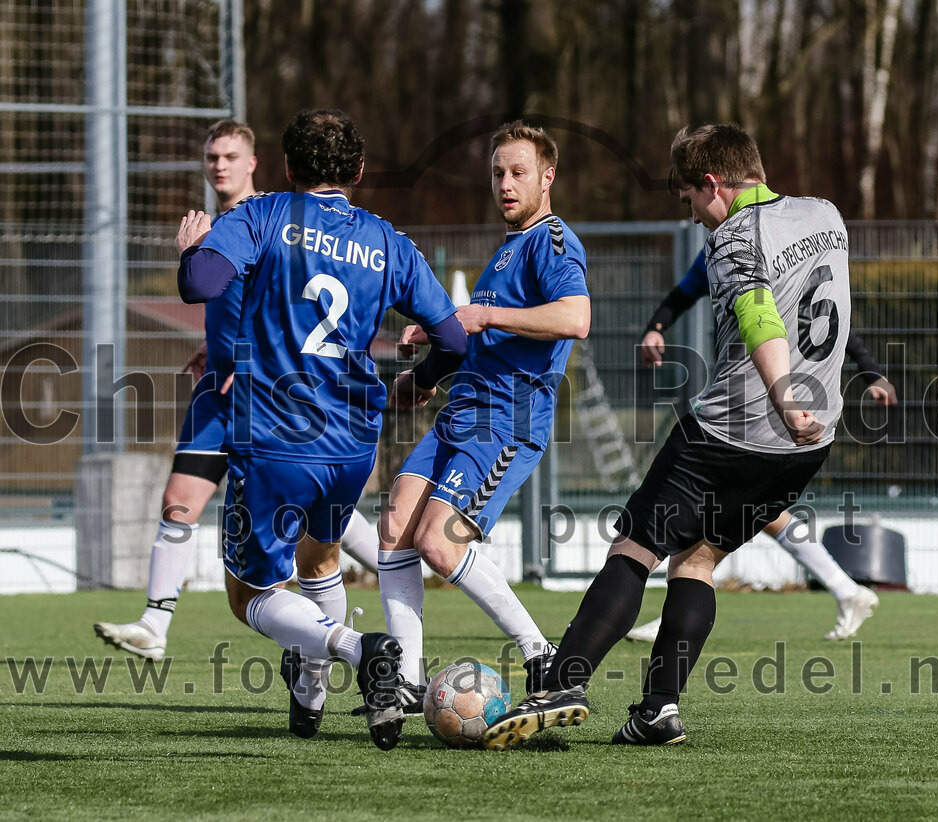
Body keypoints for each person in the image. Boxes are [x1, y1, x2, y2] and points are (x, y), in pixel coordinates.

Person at [485, 123, 852, 749]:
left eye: (688, 200)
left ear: (713, 184)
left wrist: (785, 397)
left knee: (634, 547)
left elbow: (761, 318)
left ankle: (562, 685)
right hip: (807, 444)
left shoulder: (734, 237)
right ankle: (658, 711)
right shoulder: (825, 214)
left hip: (734, 428)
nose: (692, 217)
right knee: (699, 559)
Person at [176, 109, 467, 749]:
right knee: (321, 558)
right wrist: (418, 383)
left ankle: (360, 652)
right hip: (353, 445)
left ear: (285, 169)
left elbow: (201, 283)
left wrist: (195, 246)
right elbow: (451, 338)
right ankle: (312, 702)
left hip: (277, 435)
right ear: (358, 172)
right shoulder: (388, 241)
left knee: (248, 594)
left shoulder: (260, 216)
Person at [93, 120, 383, 663]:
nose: (218, 166)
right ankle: (156, 623)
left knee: (316, 523)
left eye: (229, 156)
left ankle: (391, 563)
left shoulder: (269, 220)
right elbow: (226, 304)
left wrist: (245, 358)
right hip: (221, 390)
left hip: (268, 397)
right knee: (179, 500)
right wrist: (215, 350)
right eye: (211, 157)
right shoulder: (224, 224)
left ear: (254, 163)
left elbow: (285, 311)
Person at [377, 121, 589, 700]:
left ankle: (541, 654)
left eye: (518, 172)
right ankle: (405, 679)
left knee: (440, 544)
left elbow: (575, 318)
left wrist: (482, 315)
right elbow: (477, 341)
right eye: (497, 173)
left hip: (507, 424)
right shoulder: (506, 252)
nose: (505, 183)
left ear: (548, 177)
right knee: (394, 527)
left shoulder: (553, 244)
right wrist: (423, 373)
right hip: (459, 417)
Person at [625, 252, 895, 643]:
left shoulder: (768, 247)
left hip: (775, 406)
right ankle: (846, 589)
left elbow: (833, 317)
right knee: (758, 510)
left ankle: (665, 613)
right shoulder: (718, 250)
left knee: (721, 504)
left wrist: (870, 370)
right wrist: (656, 327)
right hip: (746, 403)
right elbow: (682, 294)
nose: (694, 212)